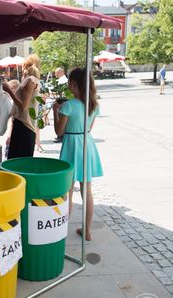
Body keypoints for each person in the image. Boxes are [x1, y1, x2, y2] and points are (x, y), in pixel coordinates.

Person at [54, 68, 103, 241]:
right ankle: (87, 230)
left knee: (67, 190)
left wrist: (55, 111)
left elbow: (59, 132)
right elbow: (88, 129)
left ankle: (62, 229)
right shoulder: (93, 105)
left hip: (71, 145)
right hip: (87, 144)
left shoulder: (67, 106)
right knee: (87, 191)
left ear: (73, 85)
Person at [3, 60, 41, 159]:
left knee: (18, 162)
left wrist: (9, 91)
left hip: (24, 126)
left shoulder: (30, 80)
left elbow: (23, 106)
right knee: (17, 162)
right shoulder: (31, 80)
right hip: (23, 125)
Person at [53, 67, 68, 143]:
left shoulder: (63, 81)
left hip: (62, 102)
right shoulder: (62, 80)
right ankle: (60, 136)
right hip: (62, 101)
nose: (55, 75)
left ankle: (61, 136)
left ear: (61, 72)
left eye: (56, 73)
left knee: (60, 118)